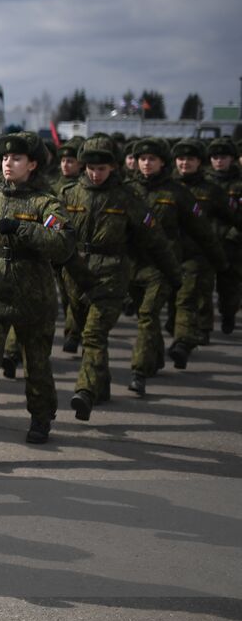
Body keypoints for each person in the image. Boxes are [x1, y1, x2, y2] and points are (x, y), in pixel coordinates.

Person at [0, 131, 75, 457]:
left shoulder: (45, 202)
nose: (8, 163)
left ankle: (41, 417)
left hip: (32, 297)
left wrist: (24, 229)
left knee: (36, 363)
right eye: (6, 158)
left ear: (33, 164)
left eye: (17, 159)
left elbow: (64, 244)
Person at [58, 136, 178, 421]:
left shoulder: (127, 198)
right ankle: (102, 386)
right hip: (76, 274)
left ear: (112, 167)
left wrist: (174, 274)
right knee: (84, 325)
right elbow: (56, 237)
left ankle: (85, 390)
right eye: (90, 167)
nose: (95, 173)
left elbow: (155, 240)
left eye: (101, 168)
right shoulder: (68, 194)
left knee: (94, 334)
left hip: (111, 273)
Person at [127, 138, 223, 393]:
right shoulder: (126, 190)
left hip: (163, 263)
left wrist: (221, 263)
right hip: (133, 264)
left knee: (149, 314)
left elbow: (202, 230)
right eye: (142, 158)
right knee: (144, 316)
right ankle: (155, 357)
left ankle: (139, 371)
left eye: (152, 159)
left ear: (162, 163)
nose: (147, 163)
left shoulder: (175, 192)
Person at [168, 139, 234, 365]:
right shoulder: (165, 187)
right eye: (181, 159)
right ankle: (175, 335)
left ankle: (184, 343)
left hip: (198, 254)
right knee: (171, 303)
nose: (185, 163)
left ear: (199, 162)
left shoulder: (210, 190)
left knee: (189, 298)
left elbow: (233, 216)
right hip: (166, 254)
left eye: (191, 159)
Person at [206, 138, 242, 334]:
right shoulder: (204, 182)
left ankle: (228, 315)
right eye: (215, 157)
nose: (219, 161)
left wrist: (233, 236)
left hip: (232, 246)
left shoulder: (238, 184)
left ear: (232, 159)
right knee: (201, 289)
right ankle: (203, 326)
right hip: (206, 244)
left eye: (224, 157)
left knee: (229, 288)